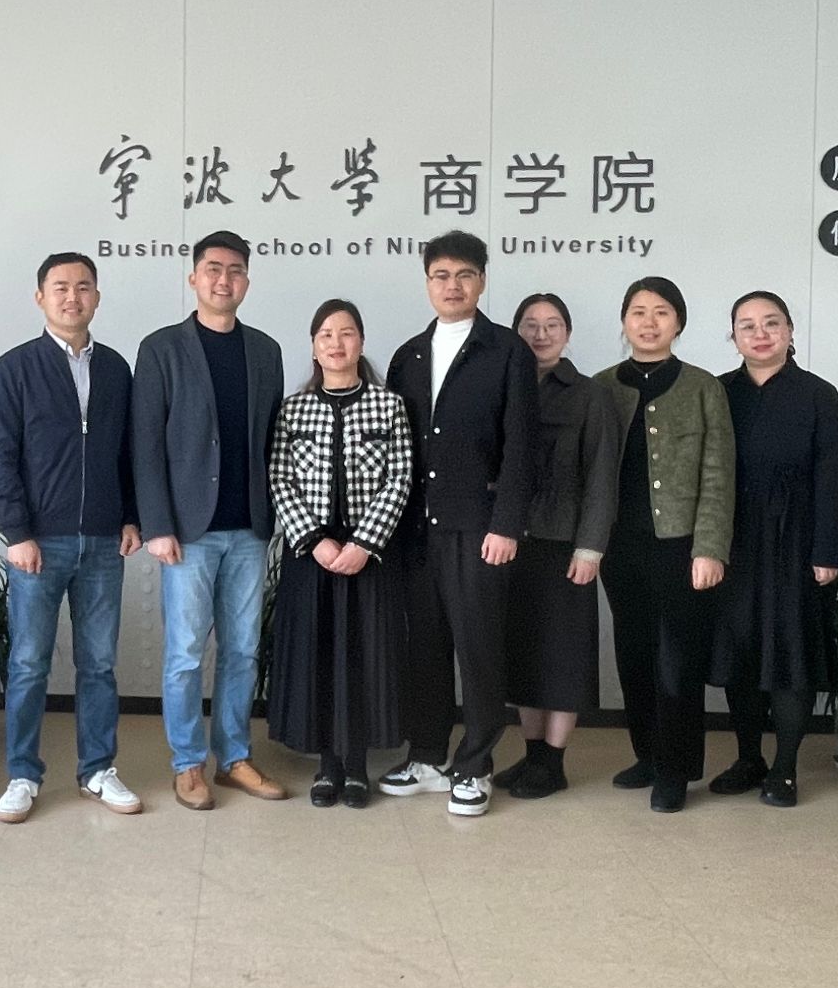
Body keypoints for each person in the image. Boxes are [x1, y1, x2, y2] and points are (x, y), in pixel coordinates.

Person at [375, 230, 538, 819]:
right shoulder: (408, 356)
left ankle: (475, 765)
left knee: (479, 649)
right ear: (427, 283)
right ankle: (426, 756)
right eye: (441, 275)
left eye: (465, 275)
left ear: (482, 281)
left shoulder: (507, 351)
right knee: (425, 648)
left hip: (479, 528)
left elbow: (522, 446)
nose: (453, 286)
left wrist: (507, 524)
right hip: (416, 530)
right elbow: (391, 446)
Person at [0, 253, 144, 824]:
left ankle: (98, 768)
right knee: (29, 663)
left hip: (103, 542)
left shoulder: (117, 368)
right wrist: (17, 532)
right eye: (60, 287)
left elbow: (129, 451)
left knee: (98, 664)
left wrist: (131, 516)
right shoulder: (15, 367)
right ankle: (23, 774)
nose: (72, 297)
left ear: (96, 296)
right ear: (40, 297)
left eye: (83, 287)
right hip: (38, 544)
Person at [131, 230, 288, 810]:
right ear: (194, 277)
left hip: (249, 528)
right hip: (187, 532)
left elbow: (273, 439)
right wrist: (156, 524)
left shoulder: (266, 350)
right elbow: (145, 442)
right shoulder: (161, 348)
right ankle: (187, 764)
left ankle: (235, 758)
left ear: (247, 280)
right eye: (214, 269)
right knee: (185, 655)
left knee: (243, 650)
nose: (225, 280)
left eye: (236, 270)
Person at [264, 300, 413, 809]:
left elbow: (400, 478)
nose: (336, 343)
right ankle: (327, 765)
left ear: (361, 343)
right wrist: (315, 541)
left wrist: (365, 543)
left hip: (370, 556)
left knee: (364, 657)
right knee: (320, 657)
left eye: (346, 333)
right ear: (313, 346)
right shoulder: (293, 409)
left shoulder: (389, 406)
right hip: (312, 555)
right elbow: (280, 478)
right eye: (325, 334)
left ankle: (357, 766)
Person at [594, 277, 735, 813]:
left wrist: (710, 548)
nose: (648, 322)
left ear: (678, 322)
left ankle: (676, 770)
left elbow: (719, 474)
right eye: (638, 311)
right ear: (624, 321)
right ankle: (648, 756)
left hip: (681, 546)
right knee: (633, 654)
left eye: (661, 312)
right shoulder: (602, 387)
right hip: (619, 545)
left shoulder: (703, 387)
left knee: (678, 660)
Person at [707, 291, 838, 809]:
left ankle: (785, 768)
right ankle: (749, 758)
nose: (760, 333)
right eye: (746, 325)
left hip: (797, 543)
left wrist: (826, 551)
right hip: (732, 542)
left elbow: (833, 477)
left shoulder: (819, 395)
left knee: (791, 655)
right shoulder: (718, 392)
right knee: (740, 653)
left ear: (790, 331)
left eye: (771, 323)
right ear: (733, 337)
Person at [492, 293, 621, 800]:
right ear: (516, 333)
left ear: (567, 333)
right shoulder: (504, 389)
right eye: (530, 325)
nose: (541, 334)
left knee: (563, 657)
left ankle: (554, 761)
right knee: (523, 654)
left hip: (565, 545)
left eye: (552, 325)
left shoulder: (590, 395)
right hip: (512, 543)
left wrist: (590, 549)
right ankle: (531, 756)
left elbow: (602, 478)